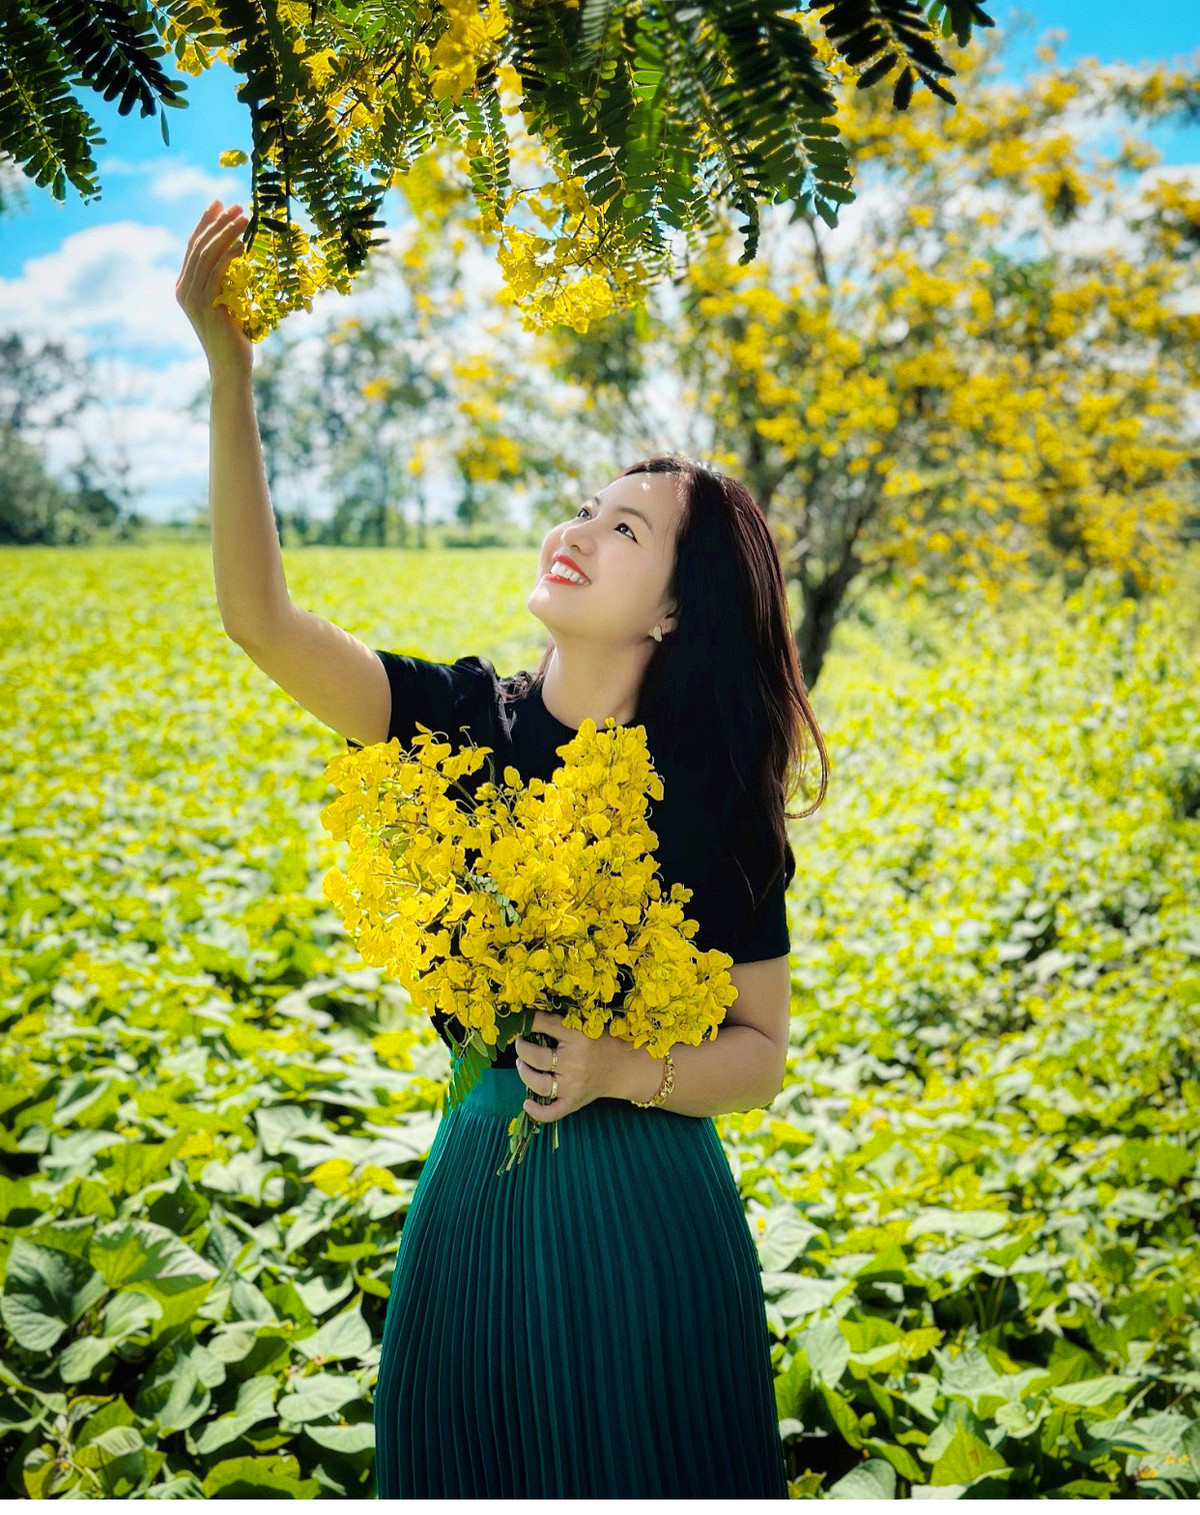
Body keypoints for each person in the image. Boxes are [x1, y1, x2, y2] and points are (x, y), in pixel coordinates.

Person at [177, 199, 830, 1498]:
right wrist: (228, 364)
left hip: (652, 1208)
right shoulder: (458, 722)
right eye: (584, 508)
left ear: (678, 611)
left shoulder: (708, 797)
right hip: (479, 1174)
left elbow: (757, 1056)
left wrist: (620, 1069)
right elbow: (260, 621)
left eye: (625, 530)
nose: (576, 532)